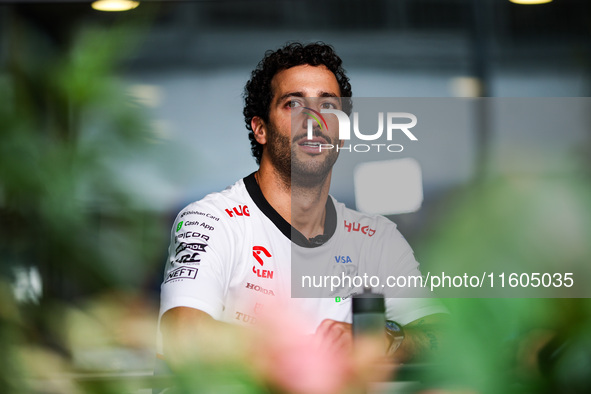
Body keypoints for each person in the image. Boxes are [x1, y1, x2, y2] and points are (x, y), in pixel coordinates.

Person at [158, 42, 446, 369]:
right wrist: (308, 355)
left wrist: (389, 337)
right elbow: (183, 333)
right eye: (293, 104)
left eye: (328, 106)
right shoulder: (213, 220)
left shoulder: (375, 237)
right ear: (261, 128)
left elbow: (447, 337)